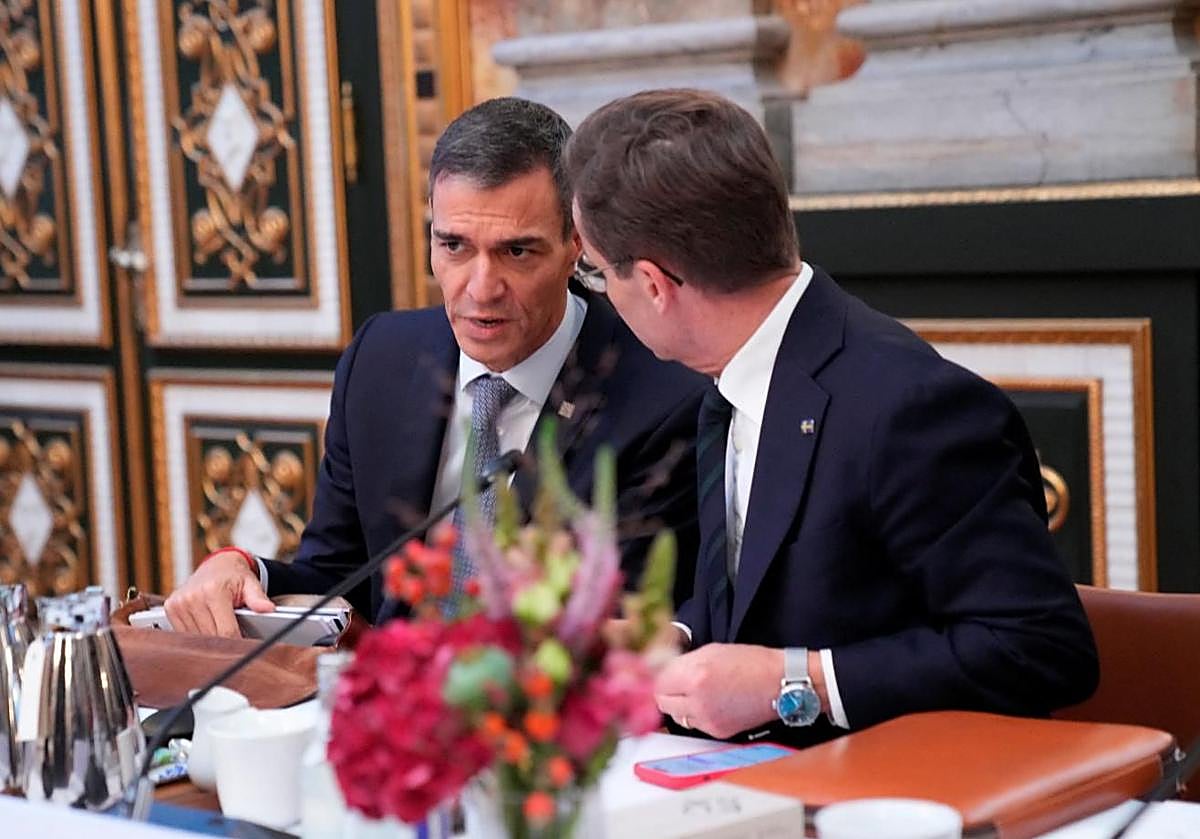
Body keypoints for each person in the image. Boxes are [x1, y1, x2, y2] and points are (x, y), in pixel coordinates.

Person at [564, 88, 1098, 748]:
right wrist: (670, 637)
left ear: (652, 284)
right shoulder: (734, 374)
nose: (602, 294)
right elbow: (771, 585)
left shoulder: (910, 409)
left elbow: (1041, 648)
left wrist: (796, 681)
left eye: (593, 273)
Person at [165, 97, 707, 636]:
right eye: (454, 246)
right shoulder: (382, 359)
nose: (480, 288)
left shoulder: (663, 398)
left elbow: (632, 633)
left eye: (517, 252)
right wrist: (244, 569)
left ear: (576, 244)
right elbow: (339, 578)